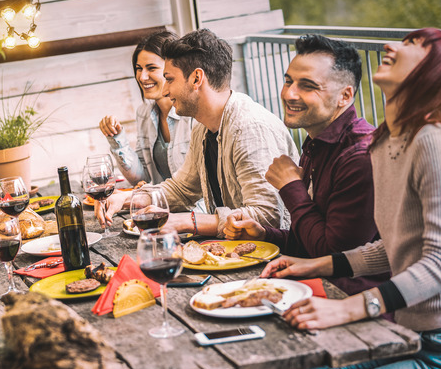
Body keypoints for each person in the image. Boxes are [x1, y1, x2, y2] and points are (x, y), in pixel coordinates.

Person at [259, 29, 441, 369]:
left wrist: (347, 309)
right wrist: (319, 264)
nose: (391, 46)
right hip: (409, 329)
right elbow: (394, 245)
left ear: (434, 74)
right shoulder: (387, 141)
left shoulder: (434, 142)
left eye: (412, 46)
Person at [224, 34, 388, 297]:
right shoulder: (318, 142)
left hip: (356, 302)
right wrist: (265, 235)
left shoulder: (360, 157)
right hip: (322, 288)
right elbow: (310, 241)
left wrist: (291, 187)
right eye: (288, 81)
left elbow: (331, 257)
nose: (289, 93)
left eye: (308, 86)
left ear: (345, 96)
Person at [97, 29, 299, 236]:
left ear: (196, 79)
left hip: (277, 257)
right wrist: (127, 199)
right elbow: (182, 189)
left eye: (170, 79)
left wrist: (185, 221)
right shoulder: (203, 127)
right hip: (234, 249)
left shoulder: (251, 128)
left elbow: (267, 216)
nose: (165, 91)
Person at [98, 30, 196, 185]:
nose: (142, 77)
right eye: (139, 68)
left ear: (172, 69)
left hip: (195, 208)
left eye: (151, 68)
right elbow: (141, 178)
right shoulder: (144, 113)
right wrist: (117, 139)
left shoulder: (193, 116)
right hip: (161, 205)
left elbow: (196, 187)